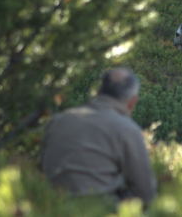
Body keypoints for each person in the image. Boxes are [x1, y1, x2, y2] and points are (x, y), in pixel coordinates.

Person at [40, 68, 157, 205]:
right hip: (100, 209)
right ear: (132, 102)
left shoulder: (57, 121)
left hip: (52, 208)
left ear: (99, 93)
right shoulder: (127, 130)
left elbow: (42, 169)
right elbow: (145, 193)